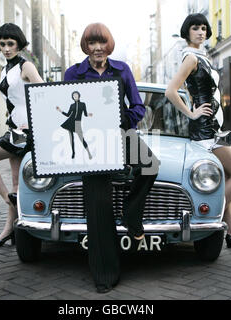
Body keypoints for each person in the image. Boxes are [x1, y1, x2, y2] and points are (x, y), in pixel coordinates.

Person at [64, 22, 160, 293]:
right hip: (90, 145)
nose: (97, 48)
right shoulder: (74, 73)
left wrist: (122, 121)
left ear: (109, 45)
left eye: (101, 42)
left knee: (150, 165)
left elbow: (138, 106)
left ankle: (131, 214)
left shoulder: (122, 70)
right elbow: (61, 105)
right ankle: (104, 274)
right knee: (98, 206)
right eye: (92, 43)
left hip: (121, 134)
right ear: (86, 46)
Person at [165, 13, 231, 250]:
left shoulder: (201, 55)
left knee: (225, 177)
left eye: (204, 28)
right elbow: (171, 91)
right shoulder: (190, 58)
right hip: (207, 130)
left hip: (214, 127)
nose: (201, 32)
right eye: (196, 28)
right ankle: (208, 213)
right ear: (187, 32)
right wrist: (192, 113)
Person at [0, 23, 43, 248]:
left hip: (25, 131)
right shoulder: (6, 69)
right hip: (15, 129)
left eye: (10, 44)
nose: (6, 48)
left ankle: (8, 200)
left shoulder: (26, 66)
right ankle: (9, 230)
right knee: (16, 182)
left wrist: (33, 122)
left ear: (19, 44)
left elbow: (44, 93)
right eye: (2, 44)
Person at [56, 91, 93, 159]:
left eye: (76, 95)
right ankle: (73, 153)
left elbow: (85, 114)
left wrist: (89, 114)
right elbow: (67, 115)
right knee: (71, 139)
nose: (75, 96)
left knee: (81, 139)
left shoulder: (83, 104)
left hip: (77, 123)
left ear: (79, 96)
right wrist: (60, 110)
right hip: (70, 122)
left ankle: (89, 153)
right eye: (73, 96)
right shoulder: (72, 105)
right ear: (72, 97)